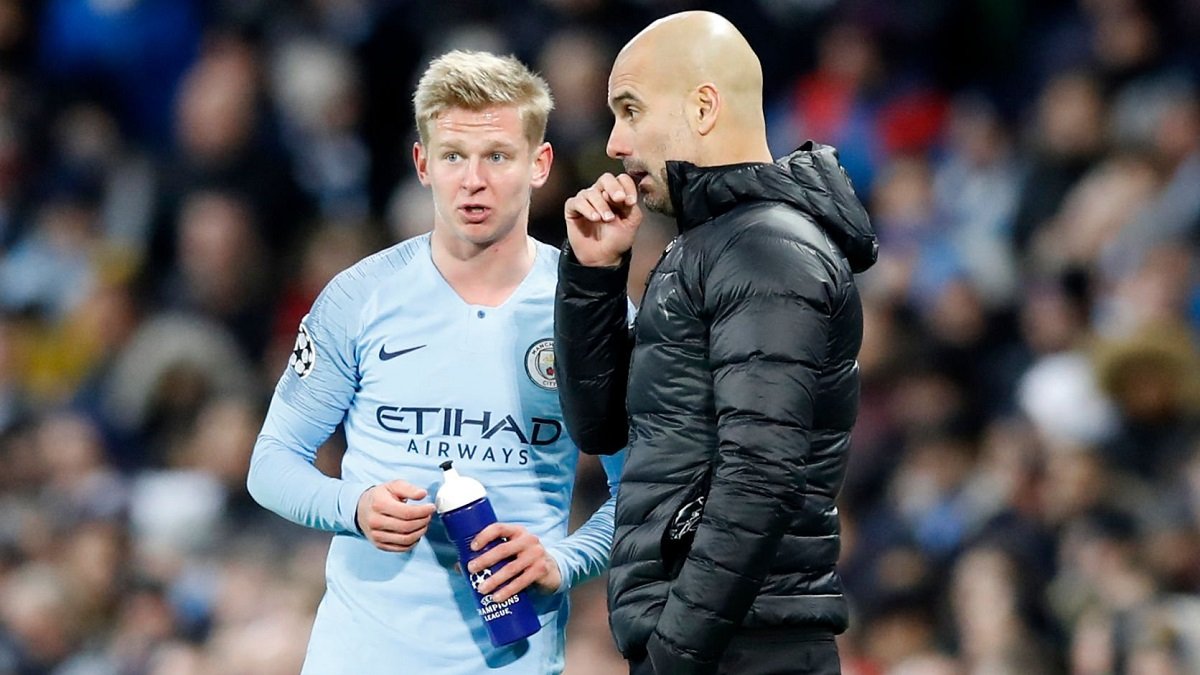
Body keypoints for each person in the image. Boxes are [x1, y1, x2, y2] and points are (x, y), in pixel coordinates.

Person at [248, 50, 623, 675]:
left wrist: (563, 561)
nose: (473, 180)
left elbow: (641, 489)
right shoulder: (359, 297)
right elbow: (271, 463)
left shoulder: (590, 311)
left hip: (512, 661)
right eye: (453, 156)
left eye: (497, 156)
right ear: (422, 164)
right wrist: (354, 506)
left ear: (539, 164)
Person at [554, 11, 878, 675]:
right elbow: (602, 427)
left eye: (630, 110)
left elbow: (761, 471)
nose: (615, 142)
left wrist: (674, 654)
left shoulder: (765, 249)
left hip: (744, 648)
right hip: (716, 642)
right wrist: (593, 275)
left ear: (703, 107)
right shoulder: (709, 245)